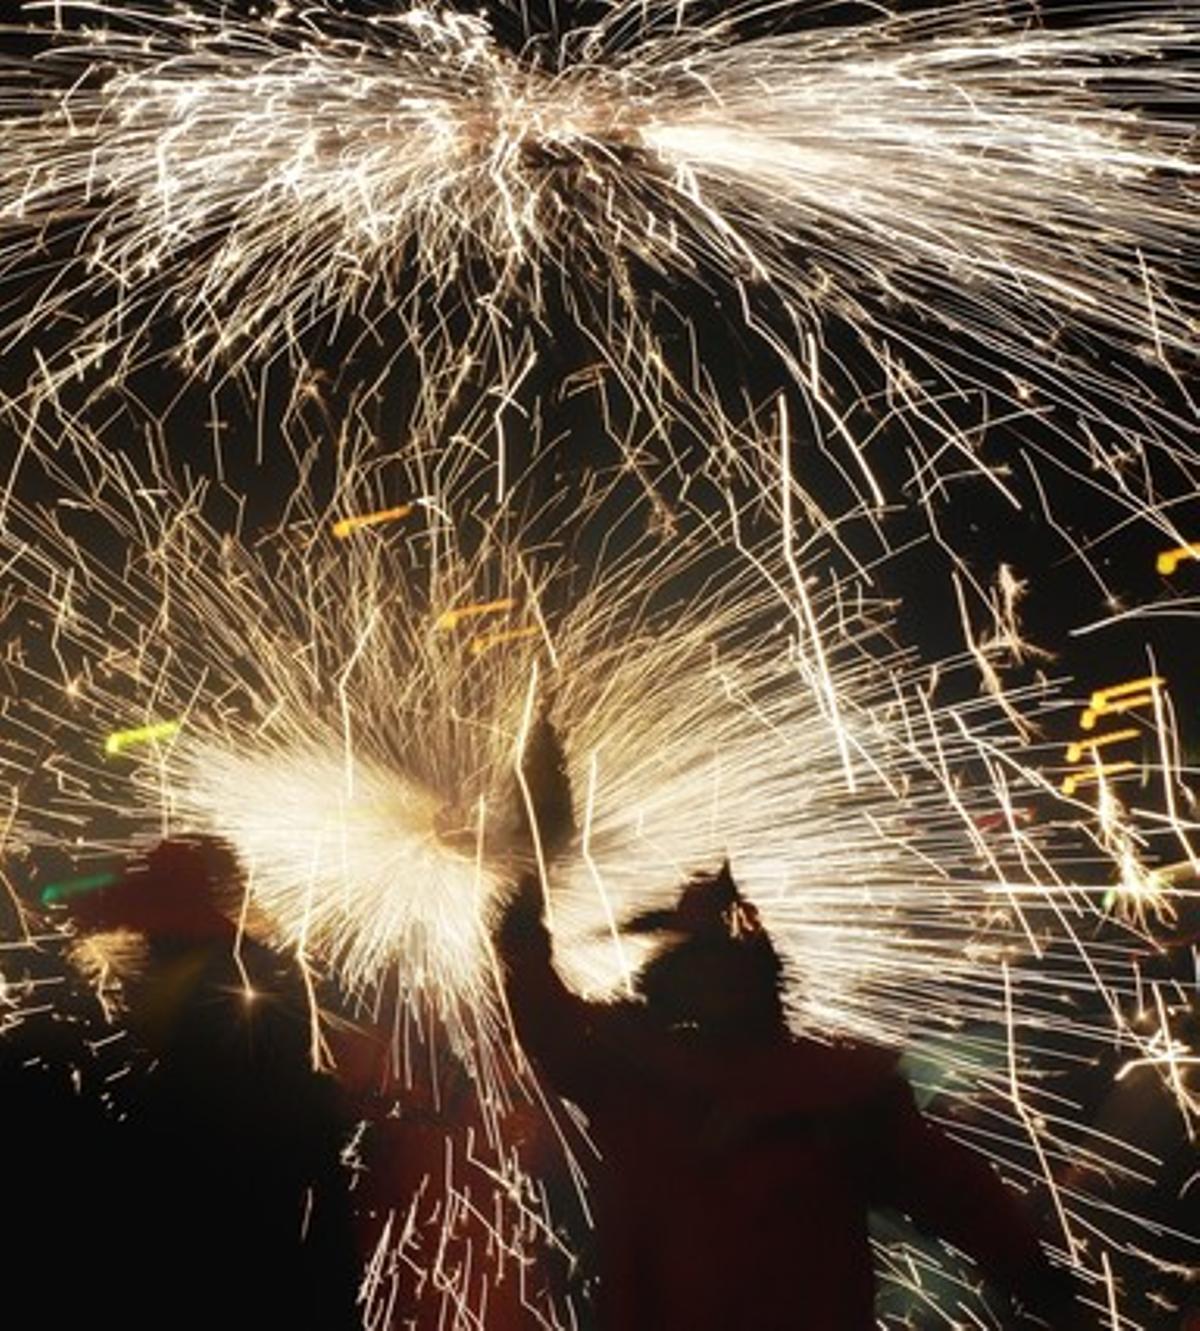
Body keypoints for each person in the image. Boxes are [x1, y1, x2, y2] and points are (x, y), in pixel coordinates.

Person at [494, 715, 1099, 1331]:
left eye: (723, 966)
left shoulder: (826, 1093)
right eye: (705, 967)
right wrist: (531, 873)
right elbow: (542, 1012)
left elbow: (956, 1194)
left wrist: (1037, 1281)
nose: (717, 982)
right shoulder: (637, 1069)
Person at [61, 836, 361, 1331]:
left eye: (150, 912)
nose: (138, 931)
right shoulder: (212, 968)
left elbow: (235, 1120)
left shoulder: (239, 982)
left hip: (242, 1234)